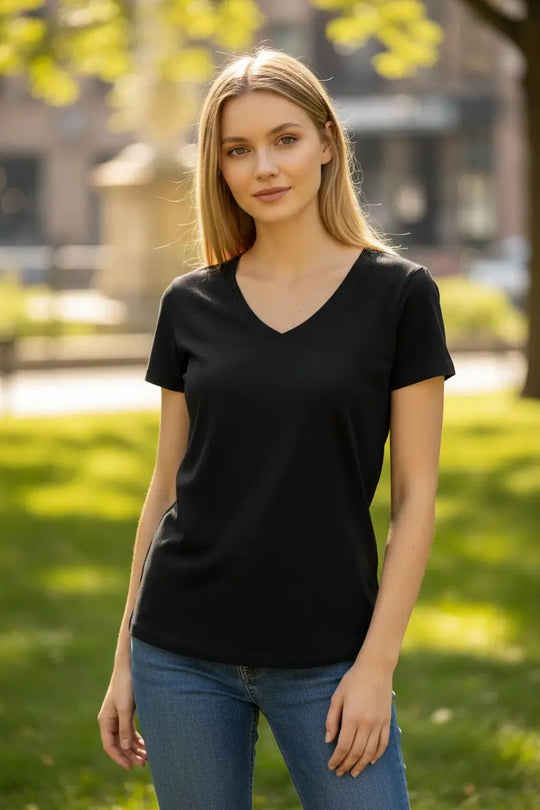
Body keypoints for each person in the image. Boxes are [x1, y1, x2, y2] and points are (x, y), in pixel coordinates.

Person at [97, 46, 456, 810]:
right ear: (218, 166)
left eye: (284, 139)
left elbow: (417, 499)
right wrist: (125, 658)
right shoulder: (189, 304)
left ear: (327, 141)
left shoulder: (398, 297)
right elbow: (165, 489)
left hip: (331, 656)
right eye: (238, 149)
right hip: (180, 653)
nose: (264, 166)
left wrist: (377, 666)